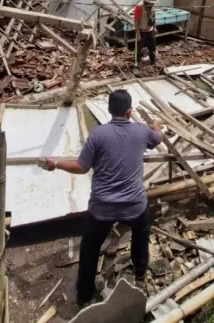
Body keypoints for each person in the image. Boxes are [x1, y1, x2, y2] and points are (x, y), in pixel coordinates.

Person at [43, 89, 162, 305]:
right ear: (129, 112)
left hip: (103, 208)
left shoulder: (98, 135)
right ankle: (140, 275)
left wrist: (57, 163)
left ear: (109, 110)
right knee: (141, 234)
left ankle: (84, 296)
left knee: (90, 248)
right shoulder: (142, 132)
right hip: (134, 205)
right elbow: (158, 138)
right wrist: (155, 126)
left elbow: (81, 166)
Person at [134, 0, 159, 68]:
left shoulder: (152, 7)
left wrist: (154, 27)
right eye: (150, 3)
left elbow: (153, 17)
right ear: (146, 1)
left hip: (150, 30)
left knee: (152, 47)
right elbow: (136, 21)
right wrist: (138, 34)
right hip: (141, 31)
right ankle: (137, 63)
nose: (151, 4)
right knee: (139, 49)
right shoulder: (139, 7)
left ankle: (153, 61)